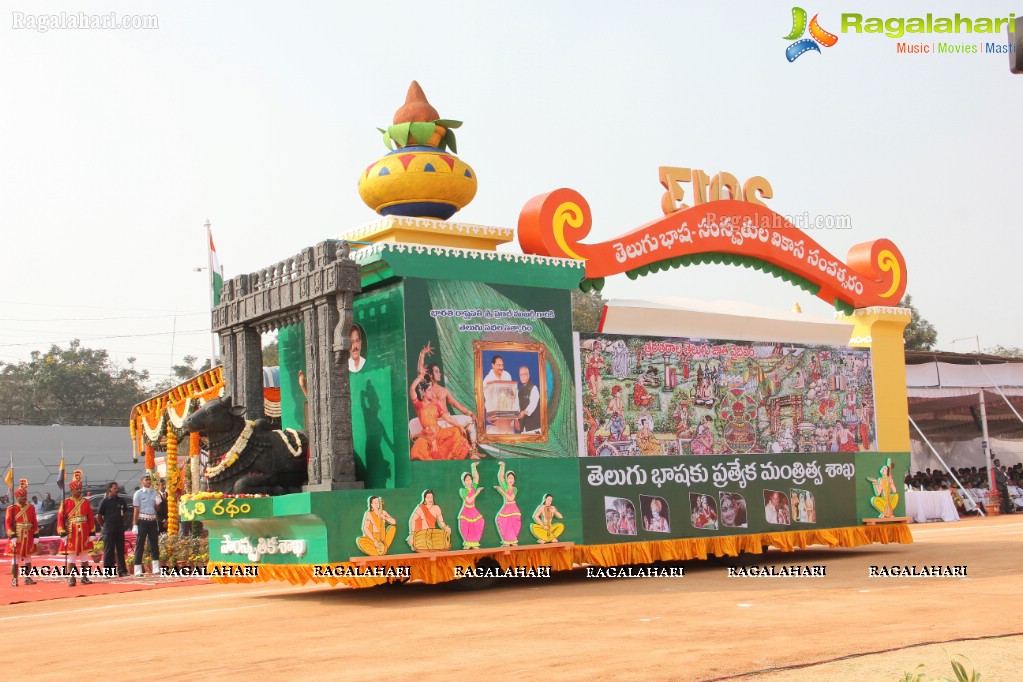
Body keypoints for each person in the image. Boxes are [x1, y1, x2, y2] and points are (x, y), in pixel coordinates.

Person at [418, 342, 478, 456]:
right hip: (437, 423)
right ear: (430, 375)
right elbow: (420, 372)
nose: (439, 374)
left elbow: (457, 405)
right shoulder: (427, 389)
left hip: (448, 420)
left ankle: (473, 452)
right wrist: (422, 354)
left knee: (470, 421)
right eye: (436, 372)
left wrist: (470, 413)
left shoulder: (444, 391)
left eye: (439, 372)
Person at [409, 372, 471, 460]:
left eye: (432, 390)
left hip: (438, 434)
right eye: (429, 390)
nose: (432, 392)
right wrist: (420, 377)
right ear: (423, 392)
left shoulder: (436, 405)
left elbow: (448, 419)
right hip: (425, 437)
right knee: (416, 452)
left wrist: (460, 426)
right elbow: (412, 389)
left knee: (457, 432)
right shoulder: (418, 405)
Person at [57, 470, 96, 586]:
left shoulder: (86, 502)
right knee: (71, 556)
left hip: (84, 530)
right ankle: (71, 578)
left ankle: (84, 577)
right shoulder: (65, 502)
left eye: (80, 489)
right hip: (71, 531)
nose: (79, 491)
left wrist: (92, 532)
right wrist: (62, 532)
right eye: (77, 489)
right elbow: (60, 518)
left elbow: (90, 518)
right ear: (72, 490)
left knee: (84, 556)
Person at [5, 480, 38, 586]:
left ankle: (28, 578)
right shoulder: (11, 509)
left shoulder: (31, 508)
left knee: (28, 557)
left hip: (28, 534)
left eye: (25, 496)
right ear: (17, 497)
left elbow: (34, 521)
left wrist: (36, 534)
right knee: (16, 558)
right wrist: (12, 535)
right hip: (17, 535)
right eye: (22, 496)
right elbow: (8, 523)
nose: (24, 498)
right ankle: (14, 579)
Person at [96, 482, 129, 576]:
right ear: (110, 489)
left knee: (120, 551)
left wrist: (122, 522)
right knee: (108, 551)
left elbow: (126, 513)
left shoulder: (121, 500)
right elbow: (98, 516)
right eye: (115, 488)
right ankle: (108, 572)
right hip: (108, 530)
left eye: (117, 488)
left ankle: (122, 571)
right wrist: (104, 525)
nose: (117, 490)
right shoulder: (105, 501)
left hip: (119, 529)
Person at [132, 473, 162, 576]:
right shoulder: (138, 494)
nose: (148, 481)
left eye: (149, 480)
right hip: (142, 520)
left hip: (152, 520)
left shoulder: (154, 493)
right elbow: (136, 510)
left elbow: (157, 509)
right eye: (146, 480)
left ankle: (156, 569)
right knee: (140, 545)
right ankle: (137, 570)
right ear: (142, 481)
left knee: (154, 544)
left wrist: (158, 503)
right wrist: (135, 524)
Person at [457, 463, 485, 549]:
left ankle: (474, 542)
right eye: (467, 480)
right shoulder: (463, 490)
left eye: (470, 480)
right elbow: (469, 500)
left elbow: (476, 478)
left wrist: (473, 467)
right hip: (466, 510)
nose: (469, 482)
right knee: (467, 525)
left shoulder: (473, 487)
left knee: (479, 522)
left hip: (473, 510)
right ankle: (468, 543)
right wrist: (477, 492)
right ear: (464, 481)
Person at [494, 461, 521, 546]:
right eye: (508, 478)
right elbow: (500, 477)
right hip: (506, 508)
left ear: (514, 480)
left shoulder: (514, 489)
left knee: (513, 524)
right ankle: (507, 540)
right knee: (503, 521)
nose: (510, 480)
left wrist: (501, 491)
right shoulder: (505, 487)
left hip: (513, 508)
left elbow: (510, 498)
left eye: (512, 478)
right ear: (506, 479)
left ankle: (513, 540)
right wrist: (502, 466)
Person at [516, 366, 541, 434]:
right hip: (524, 427)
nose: (523, 376)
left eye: (525, 374)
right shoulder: (519, 391)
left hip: (534, 426)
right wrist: (516, 419)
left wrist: (525, 412)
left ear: (528, 375)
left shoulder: (534, 388)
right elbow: (518, 407)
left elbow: (533, 404)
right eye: (521, 375)